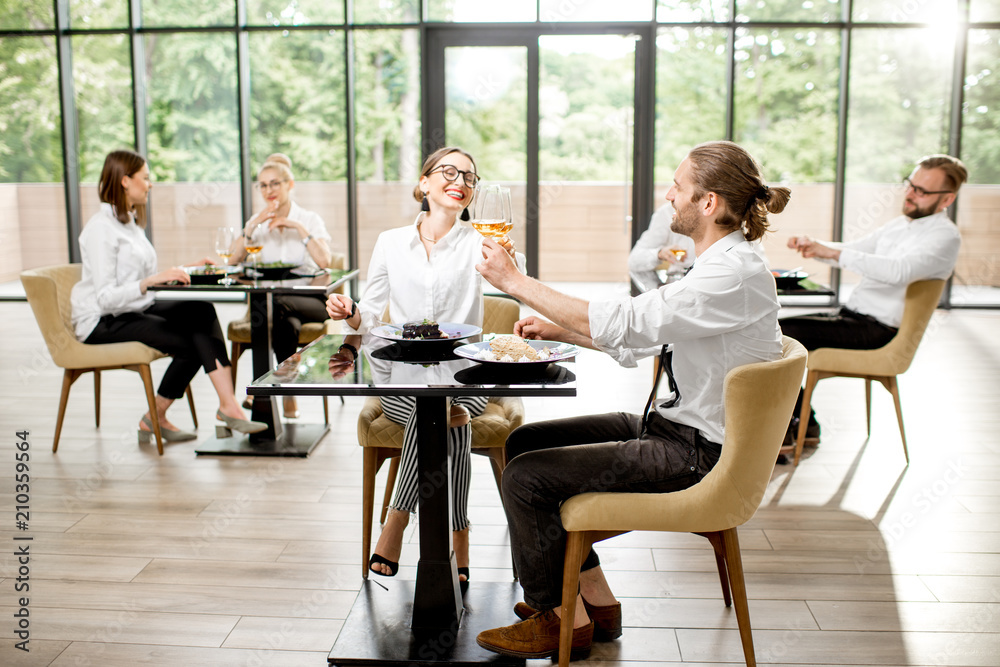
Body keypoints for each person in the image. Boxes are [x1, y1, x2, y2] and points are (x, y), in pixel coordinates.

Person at [472, 140, 789, 660]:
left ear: (707, 203)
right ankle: (597, 602)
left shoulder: (731, 273)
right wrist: (564, 332)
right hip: (677, 429)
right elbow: (656, 332)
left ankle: (559, 618)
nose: (669, 195)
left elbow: (633, 321)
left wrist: (515, 282)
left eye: (678, 187)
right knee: (524, 440)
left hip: (699, 455)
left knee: (528, 478)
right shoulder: (724, 264)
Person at [325, 146, 526, 588]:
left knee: (447, 408)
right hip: (402, 377)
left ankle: (395, 522)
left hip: (466, 376)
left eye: (470, 177)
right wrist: (349, 310)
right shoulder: (391, 242)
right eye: (449, 171)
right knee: (445, 416)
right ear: (424, 184)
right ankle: (459, 537)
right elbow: (372, 316)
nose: (461, 181)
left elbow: (517, 284)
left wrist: (509, 258)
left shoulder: (480, 241)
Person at [70, 150, 265, 444]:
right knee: (191, 344)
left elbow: (138, 279)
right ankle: (155, 417)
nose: (150, 184)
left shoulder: (129, 223)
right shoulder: (101, 229)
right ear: (125, 181)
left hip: (133, 307)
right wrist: (151, 281)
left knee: (201, 311)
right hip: (101, 320)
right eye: (145, 178)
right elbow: (106, 297)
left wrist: (186, 269)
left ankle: (228, 405)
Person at [779, 154, 967, 445]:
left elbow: (898, 271)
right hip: (852, 318)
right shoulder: (900, 225)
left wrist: (833, 253)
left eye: (922, 191)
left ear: (946, 200)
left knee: (775, 336)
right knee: (772, 332)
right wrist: (818, 248)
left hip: (878, 330)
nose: (910, 194)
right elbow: (858, 250)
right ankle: (802, 423)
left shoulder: (945, 237)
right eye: (910, 185)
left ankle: (795, 426)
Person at [227, 153, 334, 418]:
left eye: (275, 183)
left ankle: (260, 391)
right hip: (277, 308)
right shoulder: (258, 223)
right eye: (263, 185)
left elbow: (326, 260)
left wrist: (296, 227)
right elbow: (231, 260)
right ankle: (287, 393)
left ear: (289, 185)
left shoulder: (308, 219)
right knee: (285, 323)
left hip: (311, 301)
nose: (269, 190)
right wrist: (252, 226)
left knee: (271, 303)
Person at [627, 201, 696, 276]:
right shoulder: (666, 213)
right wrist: (660, 253)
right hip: (677, 278)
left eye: (679, 189)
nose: (669, 196)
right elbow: (634, 260)